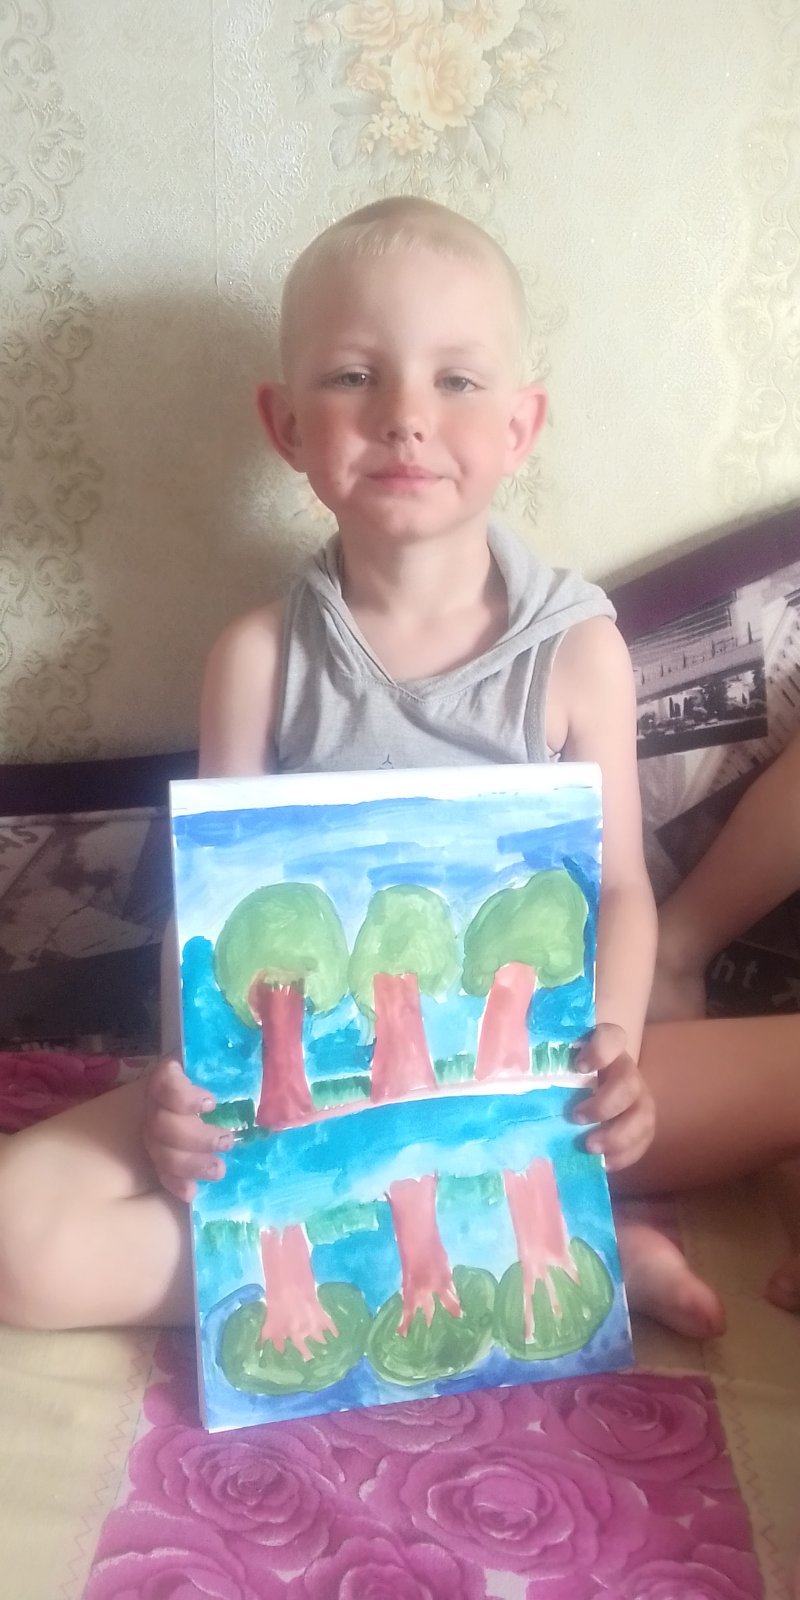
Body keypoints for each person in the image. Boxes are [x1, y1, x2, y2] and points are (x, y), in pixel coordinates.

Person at [0, 196, 793, 1338]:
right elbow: (208, 917)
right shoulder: (255, 660)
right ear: (286, 425)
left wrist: (613, 1050)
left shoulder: (579, 652)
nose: (407, 417)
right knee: (19, 1242)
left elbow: (622, 887)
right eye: (353, 377)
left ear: (520, 425)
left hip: (545, 1088)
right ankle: (559, 1245)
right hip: (316, 1099)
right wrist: (189, 1080)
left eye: (456, 380)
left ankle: (541, 1212)